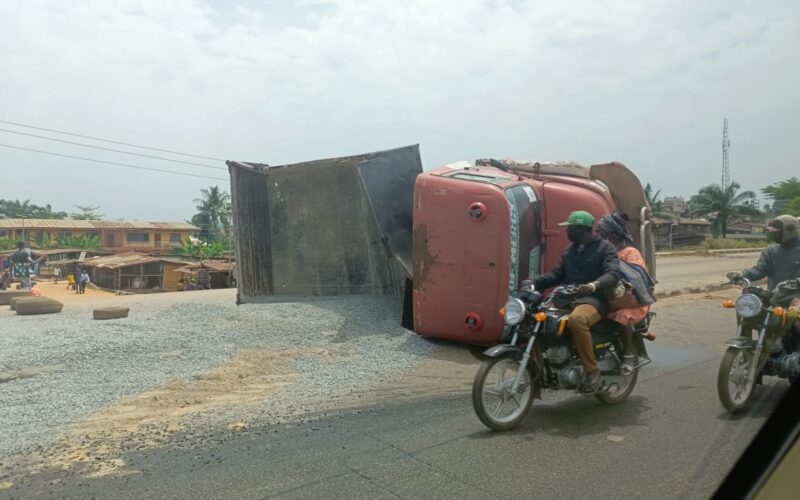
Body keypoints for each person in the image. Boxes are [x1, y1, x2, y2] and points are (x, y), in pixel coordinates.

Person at [527, 210, 621, 392]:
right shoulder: (569, 250)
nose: (567, 231)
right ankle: (541, 366)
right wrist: (533, 281)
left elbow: (613, 273)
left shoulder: (605, 248)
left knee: (577, 321)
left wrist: (594, 285)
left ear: (581, 229)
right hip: (565, 298)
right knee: (534, 319)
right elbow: (557, 275)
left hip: (593, 299)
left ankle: (592, 371)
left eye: (570, 228)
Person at [596, 212, 655, 374]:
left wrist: (618, 279)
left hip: (632, 301)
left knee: (622, 316)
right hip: (608, 298)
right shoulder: (603, 252)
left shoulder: (630, 252)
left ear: (612, 235)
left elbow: (636, 277)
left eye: (602, 233)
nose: (599, 236)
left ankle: (628, 352)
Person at [726, 215, 800, 290]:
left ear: (790, 230)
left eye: (777, 232)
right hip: (774, 296)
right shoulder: (771, 251)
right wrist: (742, 274)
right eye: (772, 232)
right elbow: (760, 270)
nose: (774, 235)